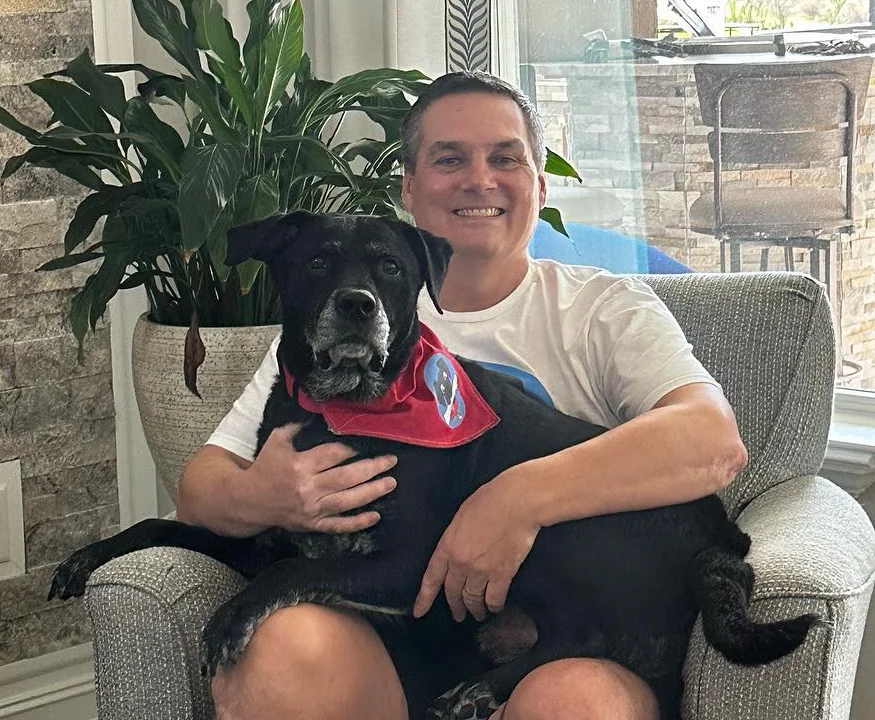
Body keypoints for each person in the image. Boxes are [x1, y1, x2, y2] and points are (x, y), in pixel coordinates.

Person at [177, 71, 748, 720]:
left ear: (539, 182)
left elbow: (711, 442)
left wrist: (513, 500)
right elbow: (199, 486)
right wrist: (259, 495)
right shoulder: (338, 320)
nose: (479, 179)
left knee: (571, 705)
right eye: (450, 159)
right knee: (270, 653)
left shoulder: (602, 309)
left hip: (564, 643)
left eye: (505, 158)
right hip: (393, 641)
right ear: (410, 189)